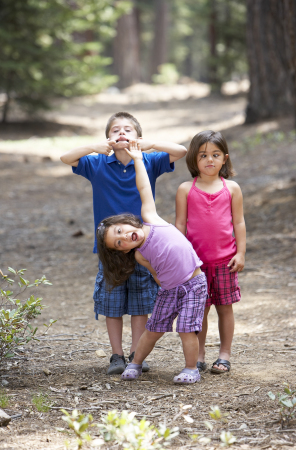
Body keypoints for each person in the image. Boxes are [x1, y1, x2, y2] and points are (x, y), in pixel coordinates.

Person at [60, 112, 187, 375]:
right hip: (111, 248)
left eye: (128, 130)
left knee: (141, 303)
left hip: (142, 244)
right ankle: (116, 356)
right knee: (112, 303)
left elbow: (181, 151)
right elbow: (66, 158)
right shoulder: (97, 164)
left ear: (137, 136)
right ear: (108, 138)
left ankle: (135, 353)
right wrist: (95, 148)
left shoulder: (149, 160)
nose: (122, 133)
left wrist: (149, 144)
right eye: (115, 130)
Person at [97, 141, 207, 384]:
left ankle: (191, 369)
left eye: (120, 231)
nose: (124, 237)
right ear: (122, 251)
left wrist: (137, 159)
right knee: (153, 329)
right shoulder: (140, 255)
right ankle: (135, 363)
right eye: (118, 243)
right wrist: (165, 289)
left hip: (194, 283)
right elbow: (156, 273)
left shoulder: (150, 218)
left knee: (187, 329)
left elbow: (144, 188)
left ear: (127, 221)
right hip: (169, 290)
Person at [175, 130, 246, 374]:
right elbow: (180, 226)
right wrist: (180, 258)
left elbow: (239, 223)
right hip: (196, 264)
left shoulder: (232, 188)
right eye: (203, 155)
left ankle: (224, 354)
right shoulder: (186, 189)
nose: (209, 160)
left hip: (226, 261)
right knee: (199, 310)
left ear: (224, 158)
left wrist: (241, 253)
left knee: (225, 308)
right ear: (194, 159)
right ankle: (200, 353)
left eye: (215, 155)